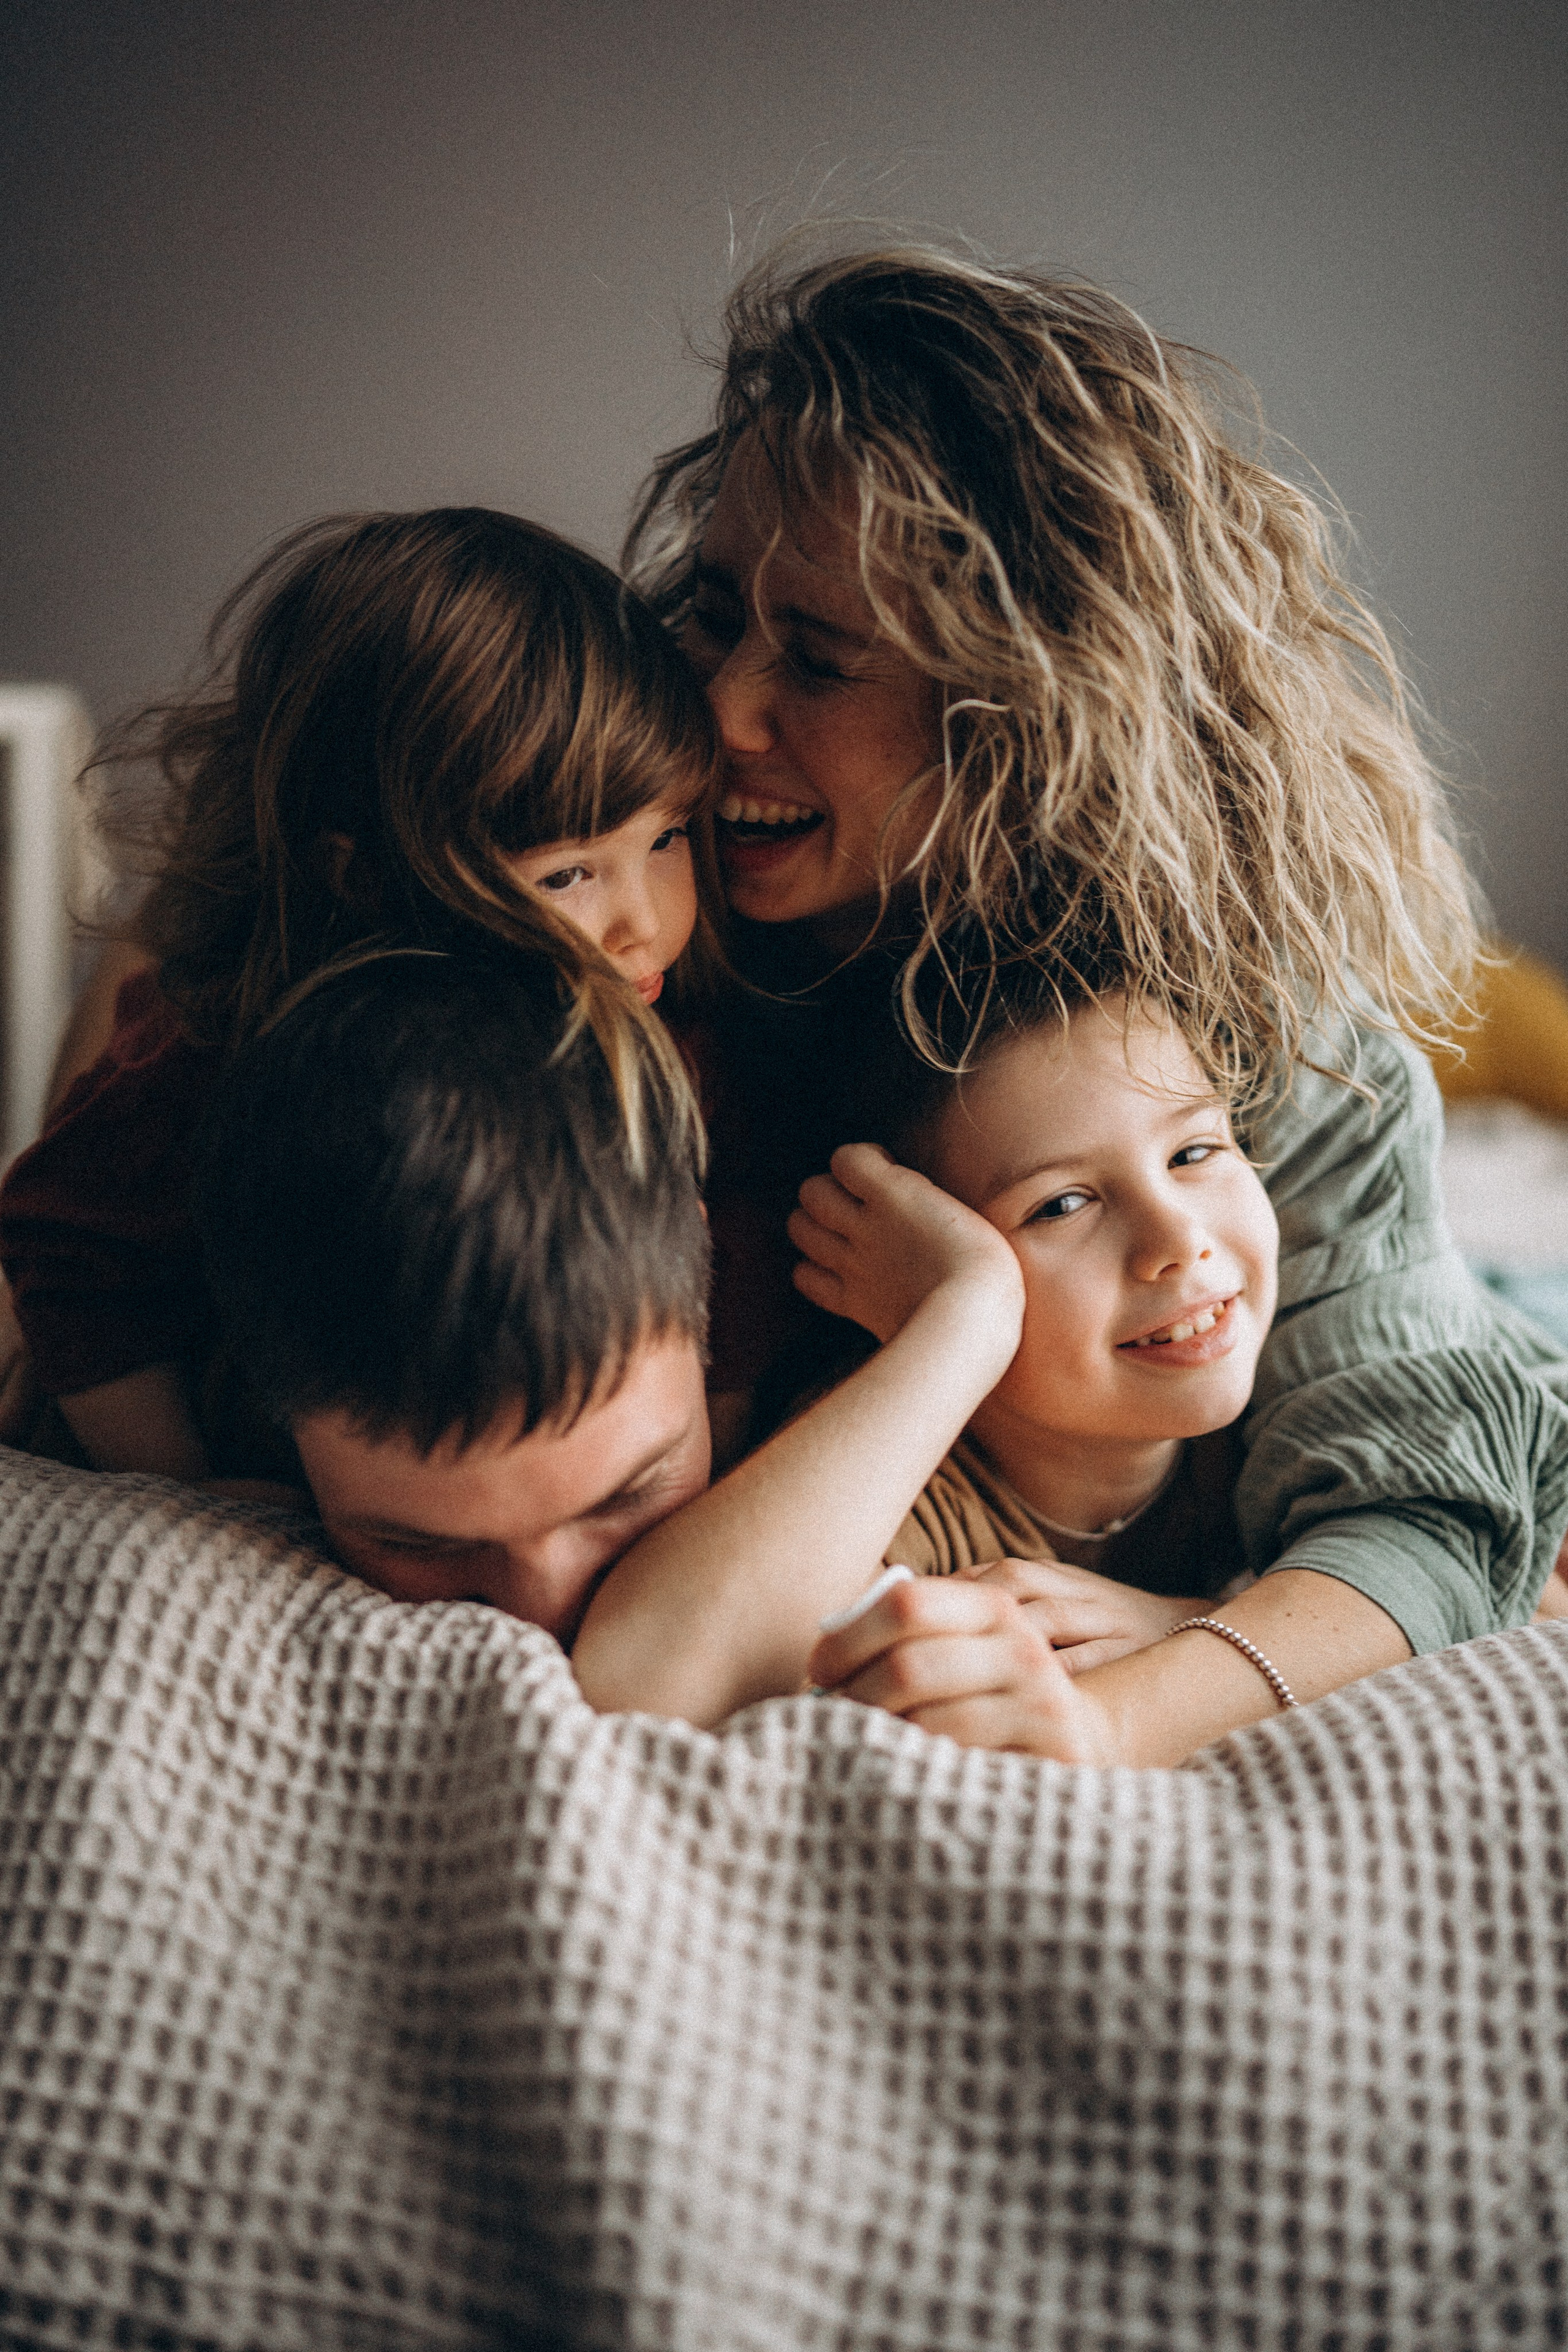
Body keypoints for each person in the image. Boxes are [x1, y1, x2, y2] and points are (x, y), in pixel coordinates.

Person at [622, 239, 1568, 1668]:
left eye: (816, 661)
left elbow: (1425, 1520)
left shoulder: (1266, 1049)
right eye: (711, 610)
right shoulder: (626, 914)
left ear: (1021, 708)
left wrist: (1166, 1655)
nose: (720, 705)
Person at [0, 508, 720, 1482]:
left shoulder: (660, 1023)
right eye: (566, 876)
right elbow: (64, 1244)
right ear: (370, 879)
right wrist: (190, 1492)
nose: (645, 919)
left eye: (667, 838)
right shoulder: (217, 1052)